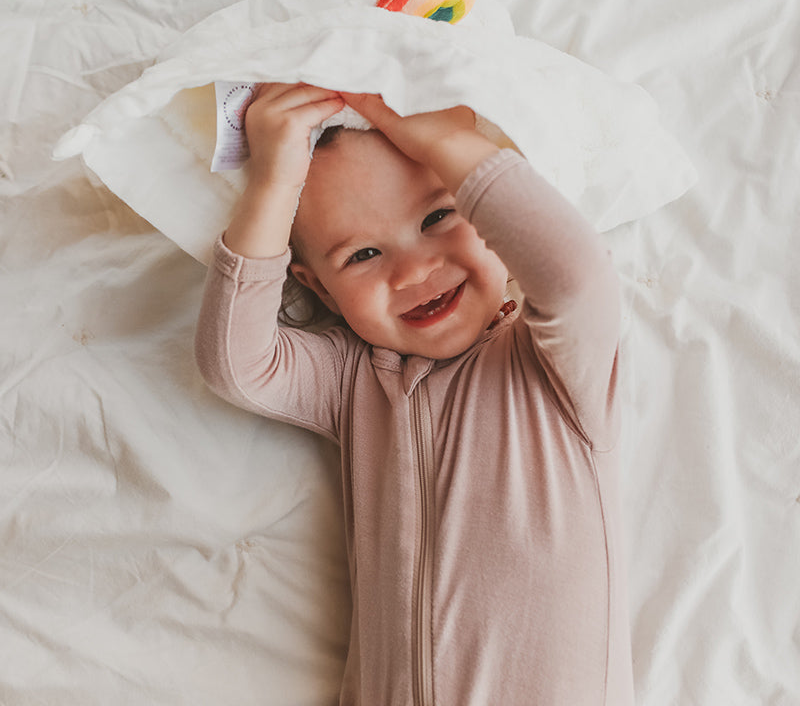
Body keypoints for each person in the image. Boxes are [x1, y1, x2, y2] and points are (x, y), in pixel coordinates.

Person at [195, 81, 634, 705]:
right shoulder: (353, 381)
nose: (414, 270)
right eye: (362, 255)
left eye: (437, 218)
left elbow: (575, 274)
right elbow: (236, 364)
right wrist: (274, 183)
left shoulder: (555, 364)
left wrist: (446, 141)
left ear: (492, 225)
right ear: (318, 289)